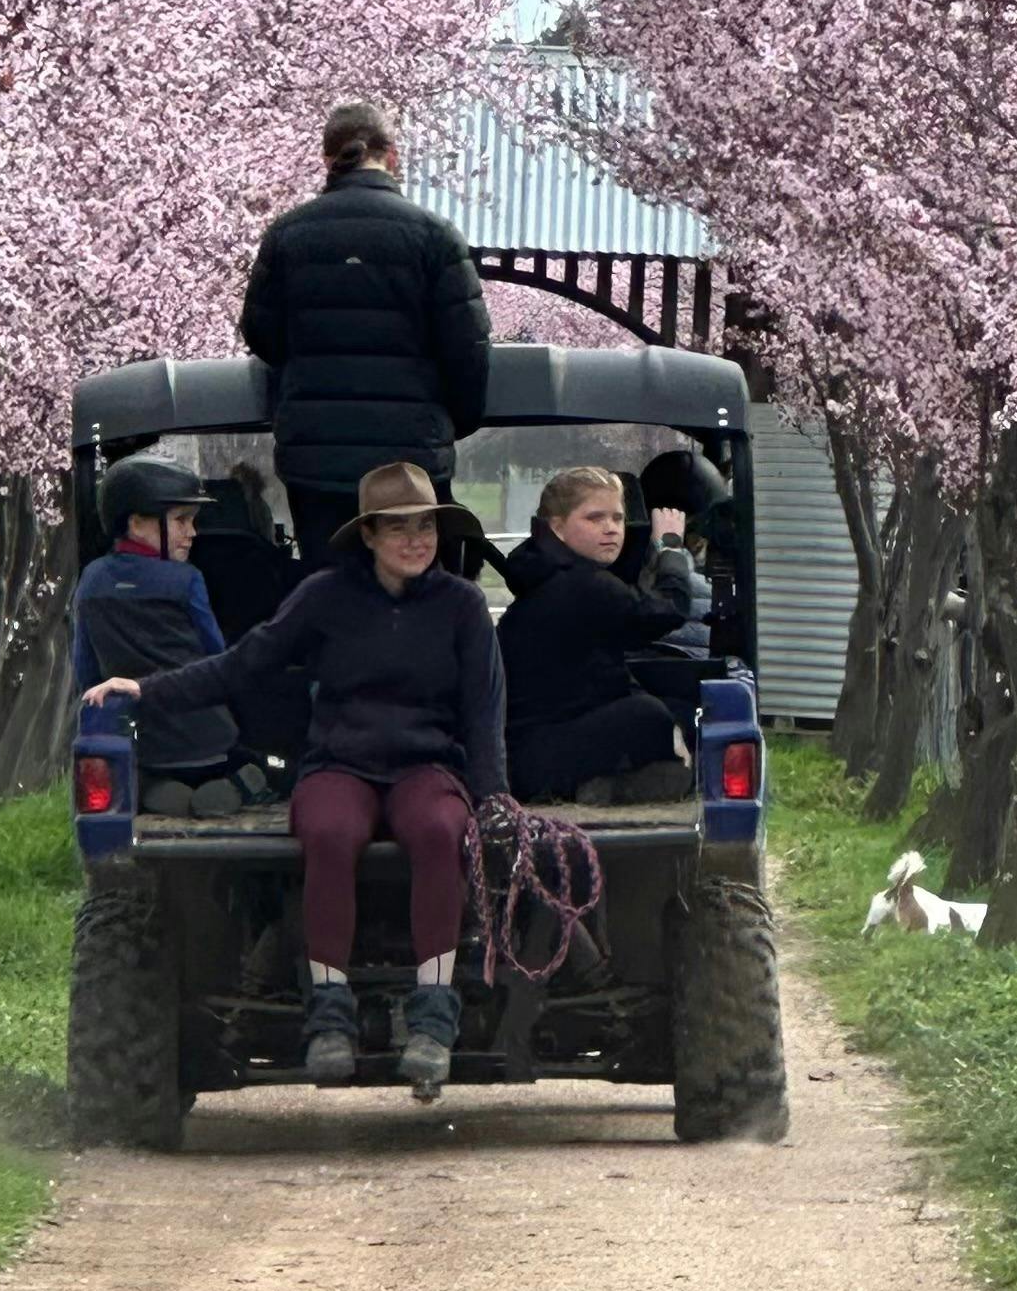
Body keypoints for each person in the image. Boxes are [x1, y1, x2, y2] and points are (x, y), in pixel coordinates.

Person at [83, 463, 506, 1099]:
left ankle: (433, 1017)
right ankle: (329, 1017)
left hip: (427, 765)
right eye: (398, 528)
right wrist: (144, 690)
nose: (416, 540)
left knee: (440, 829)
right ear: (368, 535)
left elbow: (484, 709)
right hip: (342, 762)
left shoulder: (463, 605)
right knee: (328, 832)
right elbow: (243, 664)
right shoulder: (326, 596)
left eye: (425, 526)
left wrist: (494, 794)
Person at [240, 100, 492, 567]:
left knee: (332, 599)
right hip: (411, 461)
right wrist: (451, 425)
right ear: (393, 156)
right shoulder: (435, 236)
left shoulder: (288, 235)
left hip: (317, 460)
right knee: (418, 595)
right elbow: (468, 350)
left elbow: (262, 334)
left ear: (326, 159)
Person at [72, 457, 268, 817]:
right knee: (260, 766)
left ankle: (154, 790)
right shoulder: (186, 580)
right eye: (181, 521)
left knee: (148, 773)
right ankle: (235, 786)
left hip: (148, 745)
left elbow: (85, 669)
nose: (192, 533)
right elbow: (217, 657)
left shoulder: (90, 582)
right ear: (136, 523)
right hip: (210, 741)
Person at [498, 465, 700, 806]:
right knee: (651, 716)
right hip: (537, 762)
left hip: (528, 751)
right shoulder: (583, 584)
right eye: (594, 519)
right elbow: (667, 610)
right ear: (557, 528)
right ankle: (602, 791)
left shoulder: (543, 573)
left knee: (662, 708)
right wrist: (670, 547)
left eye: (618, 519)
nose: (611, 529)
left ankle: (604, 787)